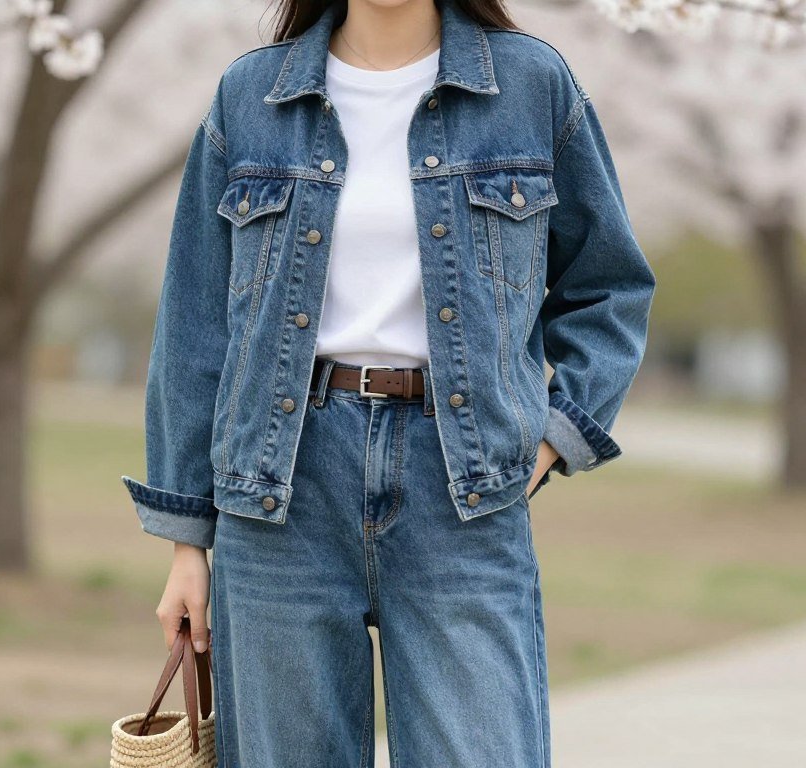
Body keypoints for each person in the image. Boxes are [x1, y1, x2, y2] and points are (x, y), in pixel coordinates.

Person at [121, 0, 656, 765]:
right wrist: (186, 544)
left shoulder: (532, 84)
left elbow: (610, 289)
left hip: (463, 484)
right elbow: (195, 327)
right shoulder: (251, 94)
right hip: (279, 490)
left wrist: (550, 440)